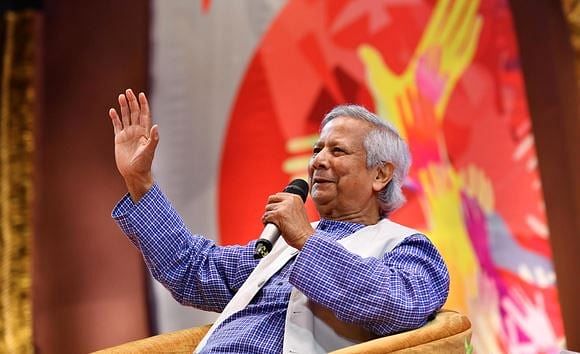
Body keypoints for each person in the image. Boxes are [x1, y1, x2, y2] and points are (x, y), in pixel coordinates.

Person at [108, 89, 449, 354]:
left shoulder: (408, 248)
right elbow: (192, 270)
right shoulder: (280, 247)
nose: (318, 162)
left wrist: (306, 238)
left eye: (337, 151)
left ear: (380, 174)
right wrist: (140, 181)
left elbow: (397, 305)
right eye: (317, 150)